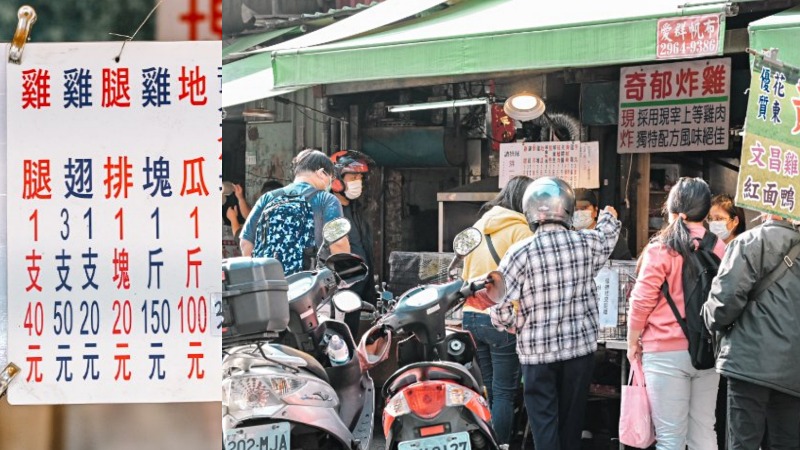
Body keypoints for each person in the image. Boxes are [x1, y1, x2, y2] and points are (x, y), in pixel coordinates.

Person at [490, 176, 620, 450]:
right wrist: (608, 214)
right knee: (572, 423)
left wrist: (516, 325)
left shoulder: (520, 252)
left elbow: (497, 306)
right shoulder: (587, 244)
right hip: (579, 352)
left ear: (530, 212)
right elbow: (609, 234)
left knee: (543, 425)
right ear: (569, 209)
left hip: (537, 355)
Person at [626, 177, 725, 450]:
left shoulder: (661, 249)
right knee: (705, 431)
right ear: (706, 212)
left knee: (670, 437)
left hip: (664, 352)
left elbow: (642, 300)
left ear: (670, 209)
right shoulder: (720, 248)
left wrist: (632, 341)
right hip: (708, 351)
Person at [702, 214, 800, 450]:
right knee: (787, 443)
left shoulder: (747, 242)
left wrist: (709, 318)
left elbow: (724, 302)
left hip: (748, 361)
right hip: (793, 368)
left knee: (743, 442)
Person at [461, 175, 534, 446]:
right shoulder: (522, 231)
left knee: (490, 389)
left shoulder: (478, 226)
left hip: (472, 316)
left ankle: (487, 441)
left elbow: (466, 275)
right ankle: (500, 444)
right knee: (504, 391)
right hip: (501, 319)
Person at [239, 149, 350, 258]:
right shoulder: (326, 199)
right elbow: (338, 243)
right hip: (312, 275)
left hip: (269, 275)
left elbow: (245, 242)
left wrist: (259, 272)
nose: (328, 184)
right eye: (330, 179)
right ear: (321, 173)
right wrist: (344, 270)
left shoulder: (268, 197)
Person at [707, 192, 746, 450]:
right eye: (710, 218)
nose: (714, 223)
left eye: (719, 218)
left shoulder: (743, 249)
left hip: (734, 343)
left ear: (734, 221)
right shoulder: (708, 248)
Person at [329, 150, 376, 337]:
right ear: (337, 179)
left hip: (357, 292)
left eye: (360, 177)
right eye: (353, 176)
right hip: (339, 294)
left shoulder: (356, 210)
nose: (358, 181)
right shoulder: (329, 210)